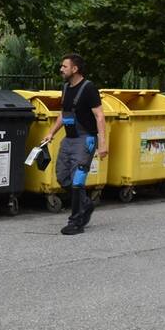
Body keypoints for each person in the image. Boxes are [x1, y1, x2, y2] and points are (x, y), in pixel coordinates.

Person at [43, 53, 108, 234]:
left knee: (78, 181)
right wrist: (51, 133)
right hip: (69, 139)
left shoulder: (89, 88)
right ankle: (86, 205)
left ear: (75, 69)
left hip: (85, 139)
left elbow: (99, 116)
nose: (61, 69)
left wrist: (102, 144)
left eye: (64, 66)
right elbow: (64, 114)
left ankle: (76, 222)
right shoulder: (65, 88)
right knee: (63, 178)